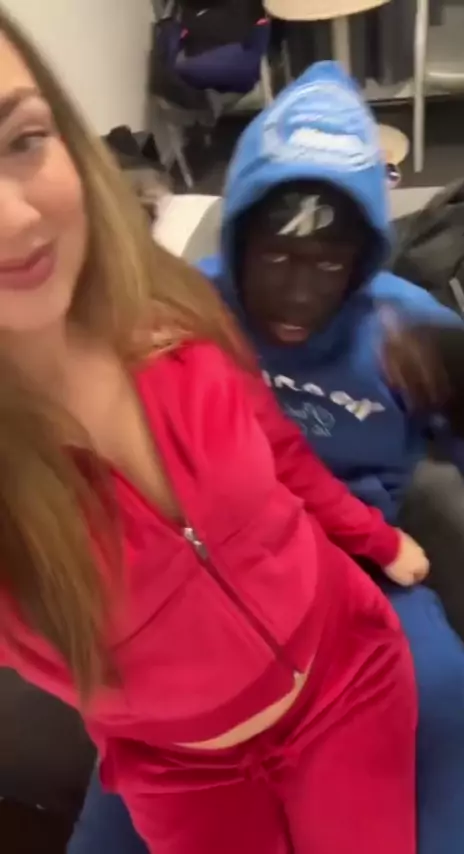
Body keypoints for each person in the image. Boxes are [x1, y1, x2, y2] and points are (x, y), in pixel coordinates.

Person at [0, 12, 424, 854]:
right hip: (182, 771)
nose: (14, 220)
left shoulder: (175, 305)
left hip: (350, 675)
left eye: (21, 140)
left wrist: (374, 539)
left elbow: (283, 452)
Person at [69, 65, 464, 854]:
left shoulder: (405, 326)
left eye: (327, 264)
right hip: (212, 570)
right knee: (136, 758)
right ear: (240, 242)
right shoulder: (183, 308)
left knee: (446, 704)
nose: (297, 294)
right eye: (277, 258)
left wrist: (462, 383)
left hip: (363, 569)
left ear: (362, 259)